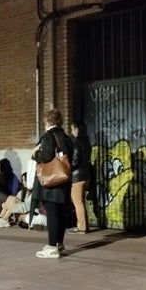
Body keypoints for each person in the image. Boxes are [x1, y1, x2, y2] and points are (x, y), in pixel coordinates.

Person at [32, 109, 74, 258]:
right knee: (61, 213)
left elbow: (47, 156)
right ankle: (59, 244)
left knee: (52, 214)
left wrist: (35, 154)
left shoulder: (48, 136)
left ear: (48, 121)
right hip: (64, 179)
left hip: (52, 182)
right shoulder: (66, 137)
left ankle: (51, 247)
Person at [68, 121, 91, 234]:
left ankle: (81, 227)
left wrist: (68, 167)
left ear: (78, 130)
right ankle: (85, 225)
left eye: (73, 129)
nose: (72, 132)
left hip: (77, 176)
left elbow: (75, 160)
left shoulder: (76, 143)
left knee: (77, 202)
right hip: (85, 175)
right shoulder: (86, 142)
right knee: (80, 201)